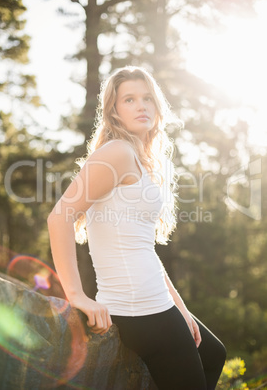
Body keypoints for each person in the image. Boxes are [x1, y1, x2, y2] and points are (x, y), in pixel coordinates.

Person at [47, 66, 226, 390]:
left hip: (156, 302)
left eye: (147, 98)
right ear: (114, 111)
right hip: (138, 311)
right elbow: (59, 216)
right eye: (129, 99)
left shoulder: (141, 160)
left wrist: (181, 308)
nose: (141, 105)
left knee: (212, 353)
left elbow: (144, 247)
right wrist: (77, 295)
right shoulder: (117, 152)